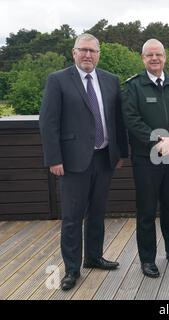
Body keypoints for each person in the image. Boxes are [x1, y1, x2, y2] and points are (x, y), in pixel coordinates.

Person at [39, 33, 129, 291]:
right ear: (74, 52)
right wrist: (54, 159)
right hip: (72, 162)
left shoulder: (111, 80)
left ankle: (93, 256)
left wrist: (120, 153)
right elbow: (48, 122)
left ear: (99, 54)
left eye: (92, 50)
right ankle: (71, 269)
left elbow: (117, 121)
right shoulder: (58, 80)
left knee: (98, 213)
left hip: (104, 158)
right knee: (71, 218)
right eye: (83, 50)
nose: (88, 55)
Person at [122, 39, 169, 278]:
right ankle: (148, 259)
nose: (154, 58)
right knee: (146, 210)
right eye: (149, 55)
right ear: (143, 58)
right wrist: (158, 141)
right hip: (146, 159)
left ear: (165, 57)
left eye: (159, 54)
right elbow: (131, 120)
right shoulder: (133, 87)